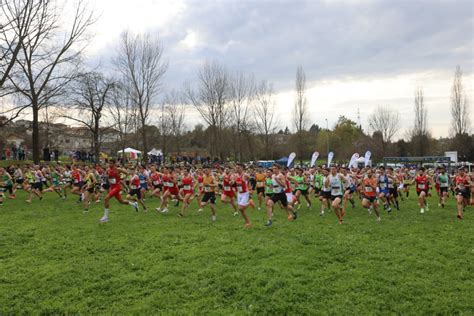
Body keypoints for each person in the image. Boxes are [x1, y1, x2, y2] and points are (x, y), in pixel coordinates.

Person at [234, 163, 253, 228]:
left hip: (245, 193)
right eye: (236, 168)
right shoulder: (235, 175)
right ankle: (248, 223)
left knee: (240, 208)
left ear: (242, 168)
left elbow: (252, 180)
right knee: (241, 210)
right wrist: (232, 183)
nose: (237, 169)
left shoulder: (245, 175)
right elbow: (235, 184)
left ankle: (249, 203)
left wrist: (251, 189)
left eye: (238, 168)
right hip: (239, 193)